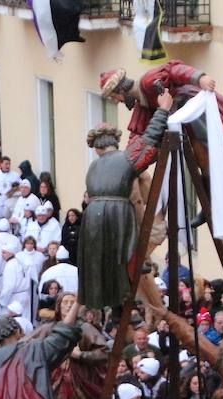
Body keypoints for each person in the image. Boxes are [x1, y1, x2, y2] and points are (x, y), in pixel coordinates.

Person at [99, 61, 223, 177]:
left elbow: (175, 69)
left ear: (121, 89)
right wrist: (123, 165)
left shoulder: (149, 81)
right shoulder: (142, 106)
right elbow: (138, 136)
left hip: (195, 110)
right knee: (206, 160)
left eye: (114, 97)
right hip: (187, 124)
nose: (116, 101)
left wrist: (200, 78)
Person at [77, 95, 172, 309]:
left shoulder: (93, 168)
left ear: (95, 148)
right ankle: (124, 297)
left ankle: (113, 305)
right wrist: (163, 110)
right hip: (115, 216)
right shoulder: (125, 159)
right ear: (115, 142)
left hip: (92, 219)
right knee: (122, 258)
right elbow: (150, 139)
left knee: (99, 264)